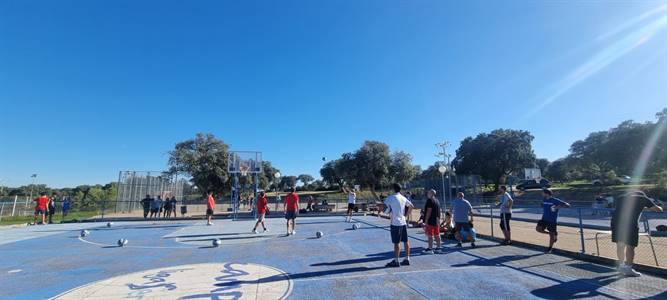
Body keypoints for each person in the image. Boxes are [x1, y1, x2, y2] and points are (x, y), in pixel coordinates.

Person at [611, 191, 663, 277]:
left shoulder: (621, 197)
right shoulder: (643, 198)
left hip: (616, 222)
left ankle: (621, 266)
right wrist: (660, 206)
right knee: (630, 246)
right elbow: (658, 210)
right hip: (630, 223)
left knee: (620, 245)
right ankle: (628, 268)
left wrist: (643, 207)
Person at [384, 183, 414, 268]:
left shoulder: (391, 198)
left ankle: (396, 261)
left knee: (396, 242)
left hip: (395, 223)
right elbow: (411, 206)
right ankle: (407, 259)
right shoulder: (403, 197)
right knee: (406, 241)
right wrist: (406, 215)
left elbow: (384, 208)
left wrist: (385, 210)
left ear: (393, 189)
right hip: (403, 222)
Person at [536, 189, 570, 253]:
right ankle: (554, 234)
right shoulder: (544, 199)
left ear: (547, 193)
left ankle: (550, 248)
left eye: (542, 193)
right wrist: (542, 205)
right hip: (544, 219)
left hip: (552, 220)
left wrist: (557, 207)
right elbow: (542, 204)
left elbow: (568, 205)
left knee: (551, 235)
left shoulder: (555, 200)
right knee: (538, 229)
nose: (541, 194)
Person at [423, 189, 442, 254]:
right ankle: (439, 247)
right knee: (437, 234)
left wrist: (426, 220)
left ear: (431, 193)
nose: (427, 194)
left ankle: (430, 249)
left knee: (430, 235)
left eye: (428, 193)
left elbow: (429, 211)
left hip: (431, 220)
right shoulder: (437, 201)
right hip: (436, 220)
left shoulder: (429, 200)